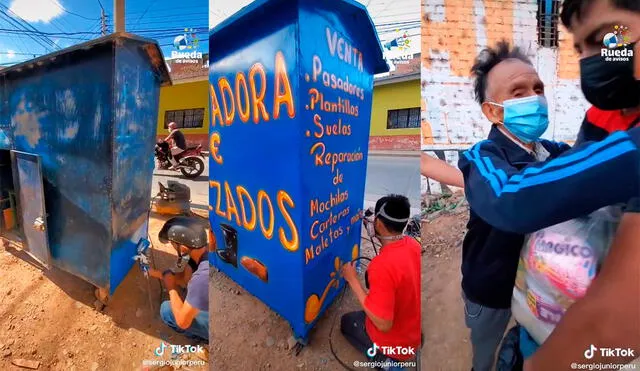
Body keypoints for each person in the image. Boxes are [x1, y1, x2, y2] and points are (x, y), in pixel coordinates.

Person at [456, 38, 640, 371]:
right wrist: (631, 154)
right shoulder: (481, 158)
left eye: (538, 89)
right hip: (489, 291)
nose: (534, 99)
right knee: (484, 352)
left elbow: (583, 169)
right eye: (518, 92)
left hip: (526, 288)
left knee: (518, 342)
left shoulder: (550, 151)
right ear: (492, 110)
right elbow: (509, 199)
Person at [340, 194, 421, 364]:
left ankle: (386, 362)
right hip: (412, 330)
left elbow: (384, 325)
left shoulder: (381, 266)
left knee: (347, 323)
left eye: (373, 216)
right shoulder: (413, 244)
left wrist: (352, 280)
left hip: (397, 344)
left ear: (377, 223)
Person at [151, 216, 209, 343]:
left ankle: (204, 339)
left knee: (167, 310)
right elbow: (183, 280)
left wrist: (171, 288)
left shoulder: (201, 278)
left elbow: (182, 322)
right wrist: (155, 273)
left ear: (182, 248)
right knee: (188, 273)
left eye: (173, 244)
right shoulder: (205, 252)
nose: (172, 246)